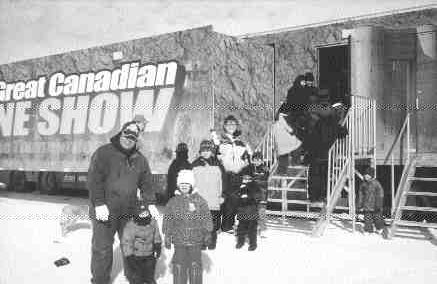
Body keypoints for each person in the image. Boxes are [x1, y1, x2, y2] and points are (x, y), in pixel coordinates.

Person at [87, 121, 155, 284]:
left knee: (131, 245)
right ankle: (100, 280)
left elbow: (147, 182)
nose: (129, 138)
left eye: (133, 136)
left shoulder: (140, 159)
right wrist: (98, 203)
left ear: (137, 139)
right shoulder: (104, 153)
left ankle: (134, 278)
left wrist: (150, 202)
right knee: (102, 248)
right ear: (121, 132)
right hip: (105, 210)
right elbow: (94, 179)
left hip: (128, 211)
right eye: (127, 133)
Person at [163, 170, 213, 284]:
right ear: (178, 185)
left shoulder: (199, 201)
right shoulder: (173, 202)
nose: (184, 186)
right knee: (179, 265)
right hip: (179, 240)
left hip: (195, 240)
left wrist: (208, 232)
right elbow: (168, 218)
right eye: (182, 184)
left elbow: (206, 217)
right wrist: (167, 234)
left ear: (191, 185)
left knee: (195, 265)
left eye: (187, 184)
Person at [211, 115, 252, 233]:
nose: (231, 126)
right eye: (228, 124)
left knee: (233, 201)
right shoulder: (220, 142)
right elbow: (214, 159)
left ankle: (227, 226)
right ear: (224, 126)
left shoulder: (241, 143)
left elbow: (247, 159)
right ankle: (216, 225)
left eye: (233, 124)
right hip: (223, 175)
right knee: (221, 200)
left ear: (236, 126)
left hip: (237, 175)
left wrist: (246, 173)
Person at [192, 140, 225, 250]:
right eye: (203, 150)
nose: (205, 152)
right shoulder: (194, 164)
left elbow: (224, 181)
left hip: (214, 200)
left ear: (211, 151)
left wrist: (223, 195)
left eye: (208, 150)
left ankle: (211, 244)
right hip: (199, 201)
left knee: (213, 225)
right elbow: (189, 181)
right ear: (200, 151)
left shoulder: (218, 164)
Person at [121, 204, 162, 284]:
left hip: (149, 254)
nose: (144, 216)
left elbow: (156, 234)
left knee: (149, 271)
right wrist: (129, 255)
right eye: (142, 214)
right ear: (136, 215)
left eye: (146, 213)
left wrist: (158, 244)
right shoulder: (131, 226)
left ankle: (149, 279)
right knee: (137, 275)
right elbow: (127, 242)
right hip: (136, 256)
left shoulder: (153, 222)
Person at [235, 174, 262, 251]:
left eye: (248, 178)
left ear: (251, 178)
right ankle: (240, 242)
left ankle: (253, 244)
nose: (246, 179)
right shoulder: (239, 186)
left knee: (252, 229)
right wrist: (240, 197)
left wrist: (249, 196)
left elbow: (258, 196)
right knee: (241, 228)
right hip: (242, 211)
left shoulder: (254, 185)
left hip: (251, 211)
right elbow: (235, 195)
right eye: (244, 178)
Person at [358, 167, 385, 234]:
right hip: (366, 205)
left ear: (371, 176)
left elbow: (380, 193)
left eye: (368, 175)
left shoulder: (376, 183)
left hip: (375, 204)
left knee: (377, 217)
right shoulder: (363, 184)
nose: (366, 176)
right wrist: (360, 204)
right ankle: (368, 229)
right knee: (367, 218)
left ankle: (379, 228)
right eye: (365, 175)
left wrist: (379, 203)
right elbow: (360, 195)